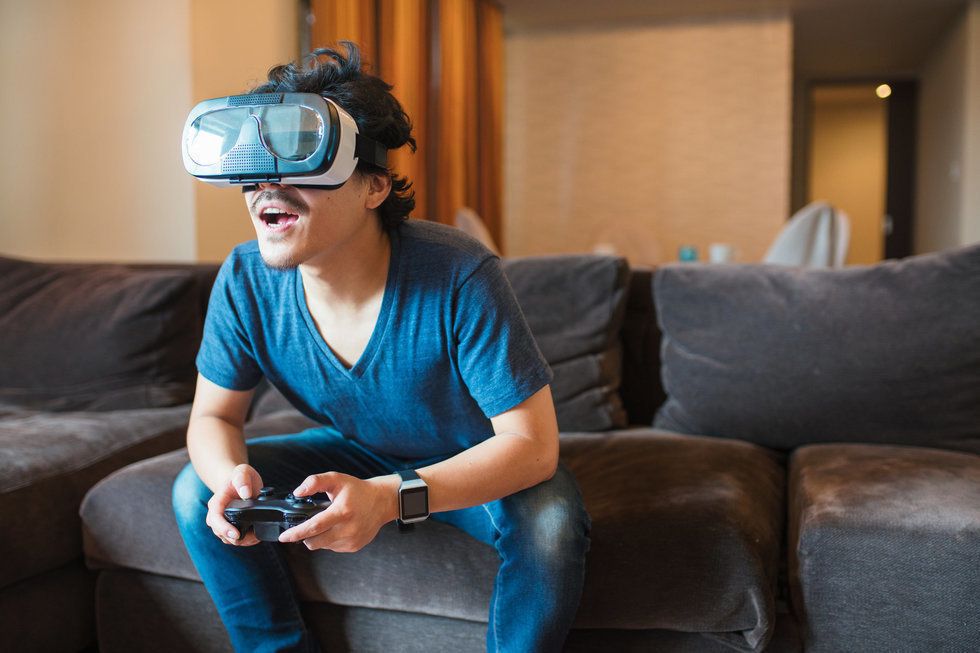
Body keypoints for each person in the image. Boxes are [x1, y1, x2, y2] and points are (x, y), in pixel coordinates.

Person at [172, 42, 591, 653]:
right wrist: (229, 479)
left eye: (301, 165)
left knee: (550, 520)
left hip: (472, 455)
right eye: (258, 169)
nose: (269, 187)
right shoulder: (244, 279)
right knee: (195, 490)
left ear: (374, 187)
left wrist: (389, 499)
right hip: (357, 449)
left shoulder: (457, 272)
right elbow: (212, 416)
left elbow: (531, 446)